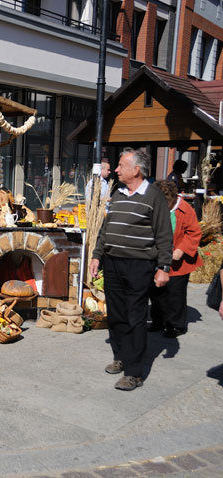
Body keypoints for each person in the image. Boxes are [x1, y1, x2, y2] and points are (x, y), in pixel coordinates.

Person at [88, 148, 173, 391]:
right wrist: (96, 256)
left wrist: (163, 267)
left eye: (121, 166)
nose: (116, 169)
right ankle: (121, 356)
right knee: (116, 314)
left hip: (139, 265)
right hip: (113, 262)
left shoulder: (153, 196)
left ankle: (134, 372)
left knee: (136, 316)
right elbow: (106, 228)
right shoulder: (118, 192)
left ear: (136, 169)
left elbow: (164, 235)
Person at [149, 180, 202, 337]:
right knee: (156, 291)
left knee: (174, 294)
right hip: (158, 257)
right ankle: (158, 321)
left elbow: (194, 232)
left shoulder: (185, 209)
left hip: (179, 263)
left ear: (173, 198)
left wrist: (182, 249)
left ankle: (176, 325)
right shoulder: (154, 207)